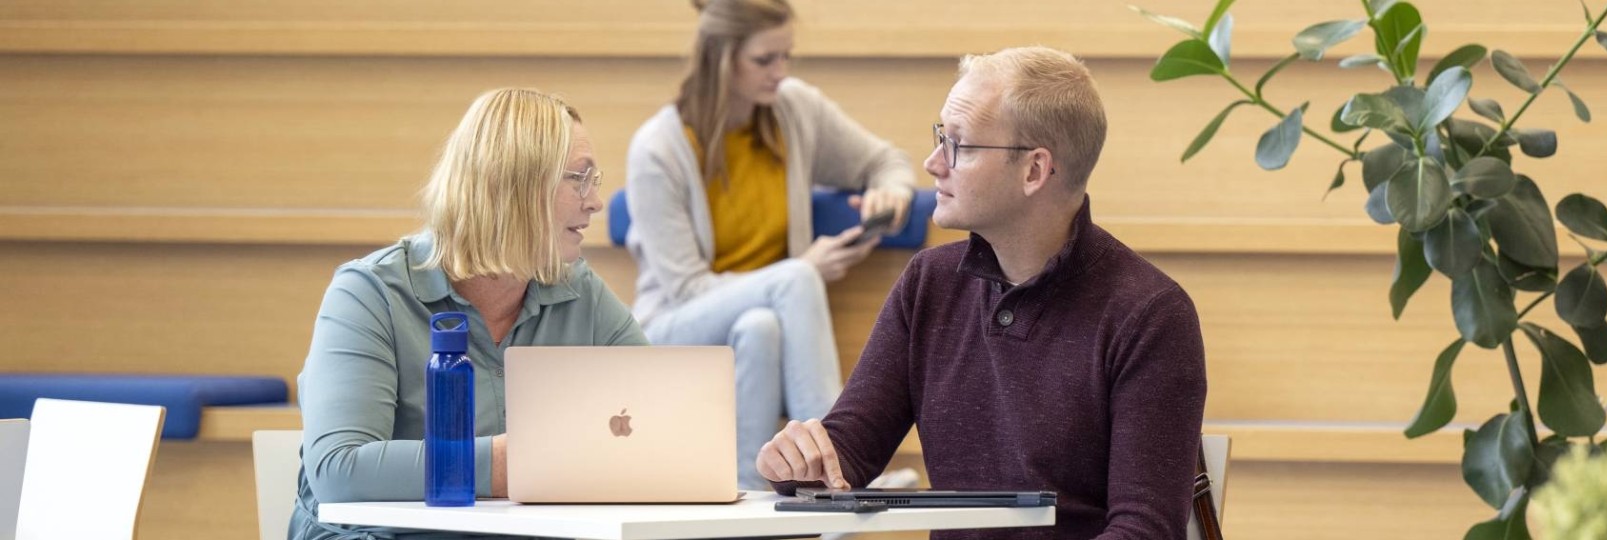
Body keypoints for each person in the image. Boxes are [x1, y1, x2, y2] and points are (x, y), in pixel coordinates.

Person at [754, 46, 1209, 539]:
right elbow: (845, 459)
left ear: (1034, 171)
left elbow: (1145, 531)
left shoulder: (1150, 314)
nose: (932, 163)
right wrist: (796, 460)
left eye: (960, 146)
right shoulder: (927, 283)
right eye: (939, 137)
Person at [290, 88, 646, 539]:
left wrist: (763, 465)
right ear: (513, 186)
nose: (595, 201)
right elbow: (340, 470)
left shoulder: (579, 291)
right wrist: (518, 462)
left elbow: (658, 425)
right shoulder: (369, 293)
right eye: (579, 178)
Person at [624, 0, 917, 489]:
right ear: (722, 58)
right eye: (765, 60)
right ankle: (840, 465)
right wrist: (797, 271)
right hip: (671, 326)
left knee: (759, 326)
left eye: (787, 56)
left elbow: (886, 160)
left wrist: (894, 191)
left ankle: (751, 489)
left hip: (760, 324)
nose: (780, 72)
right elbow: (687, 290)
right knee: (796, 278)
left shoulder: (794, 109)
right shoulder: (658, 148)